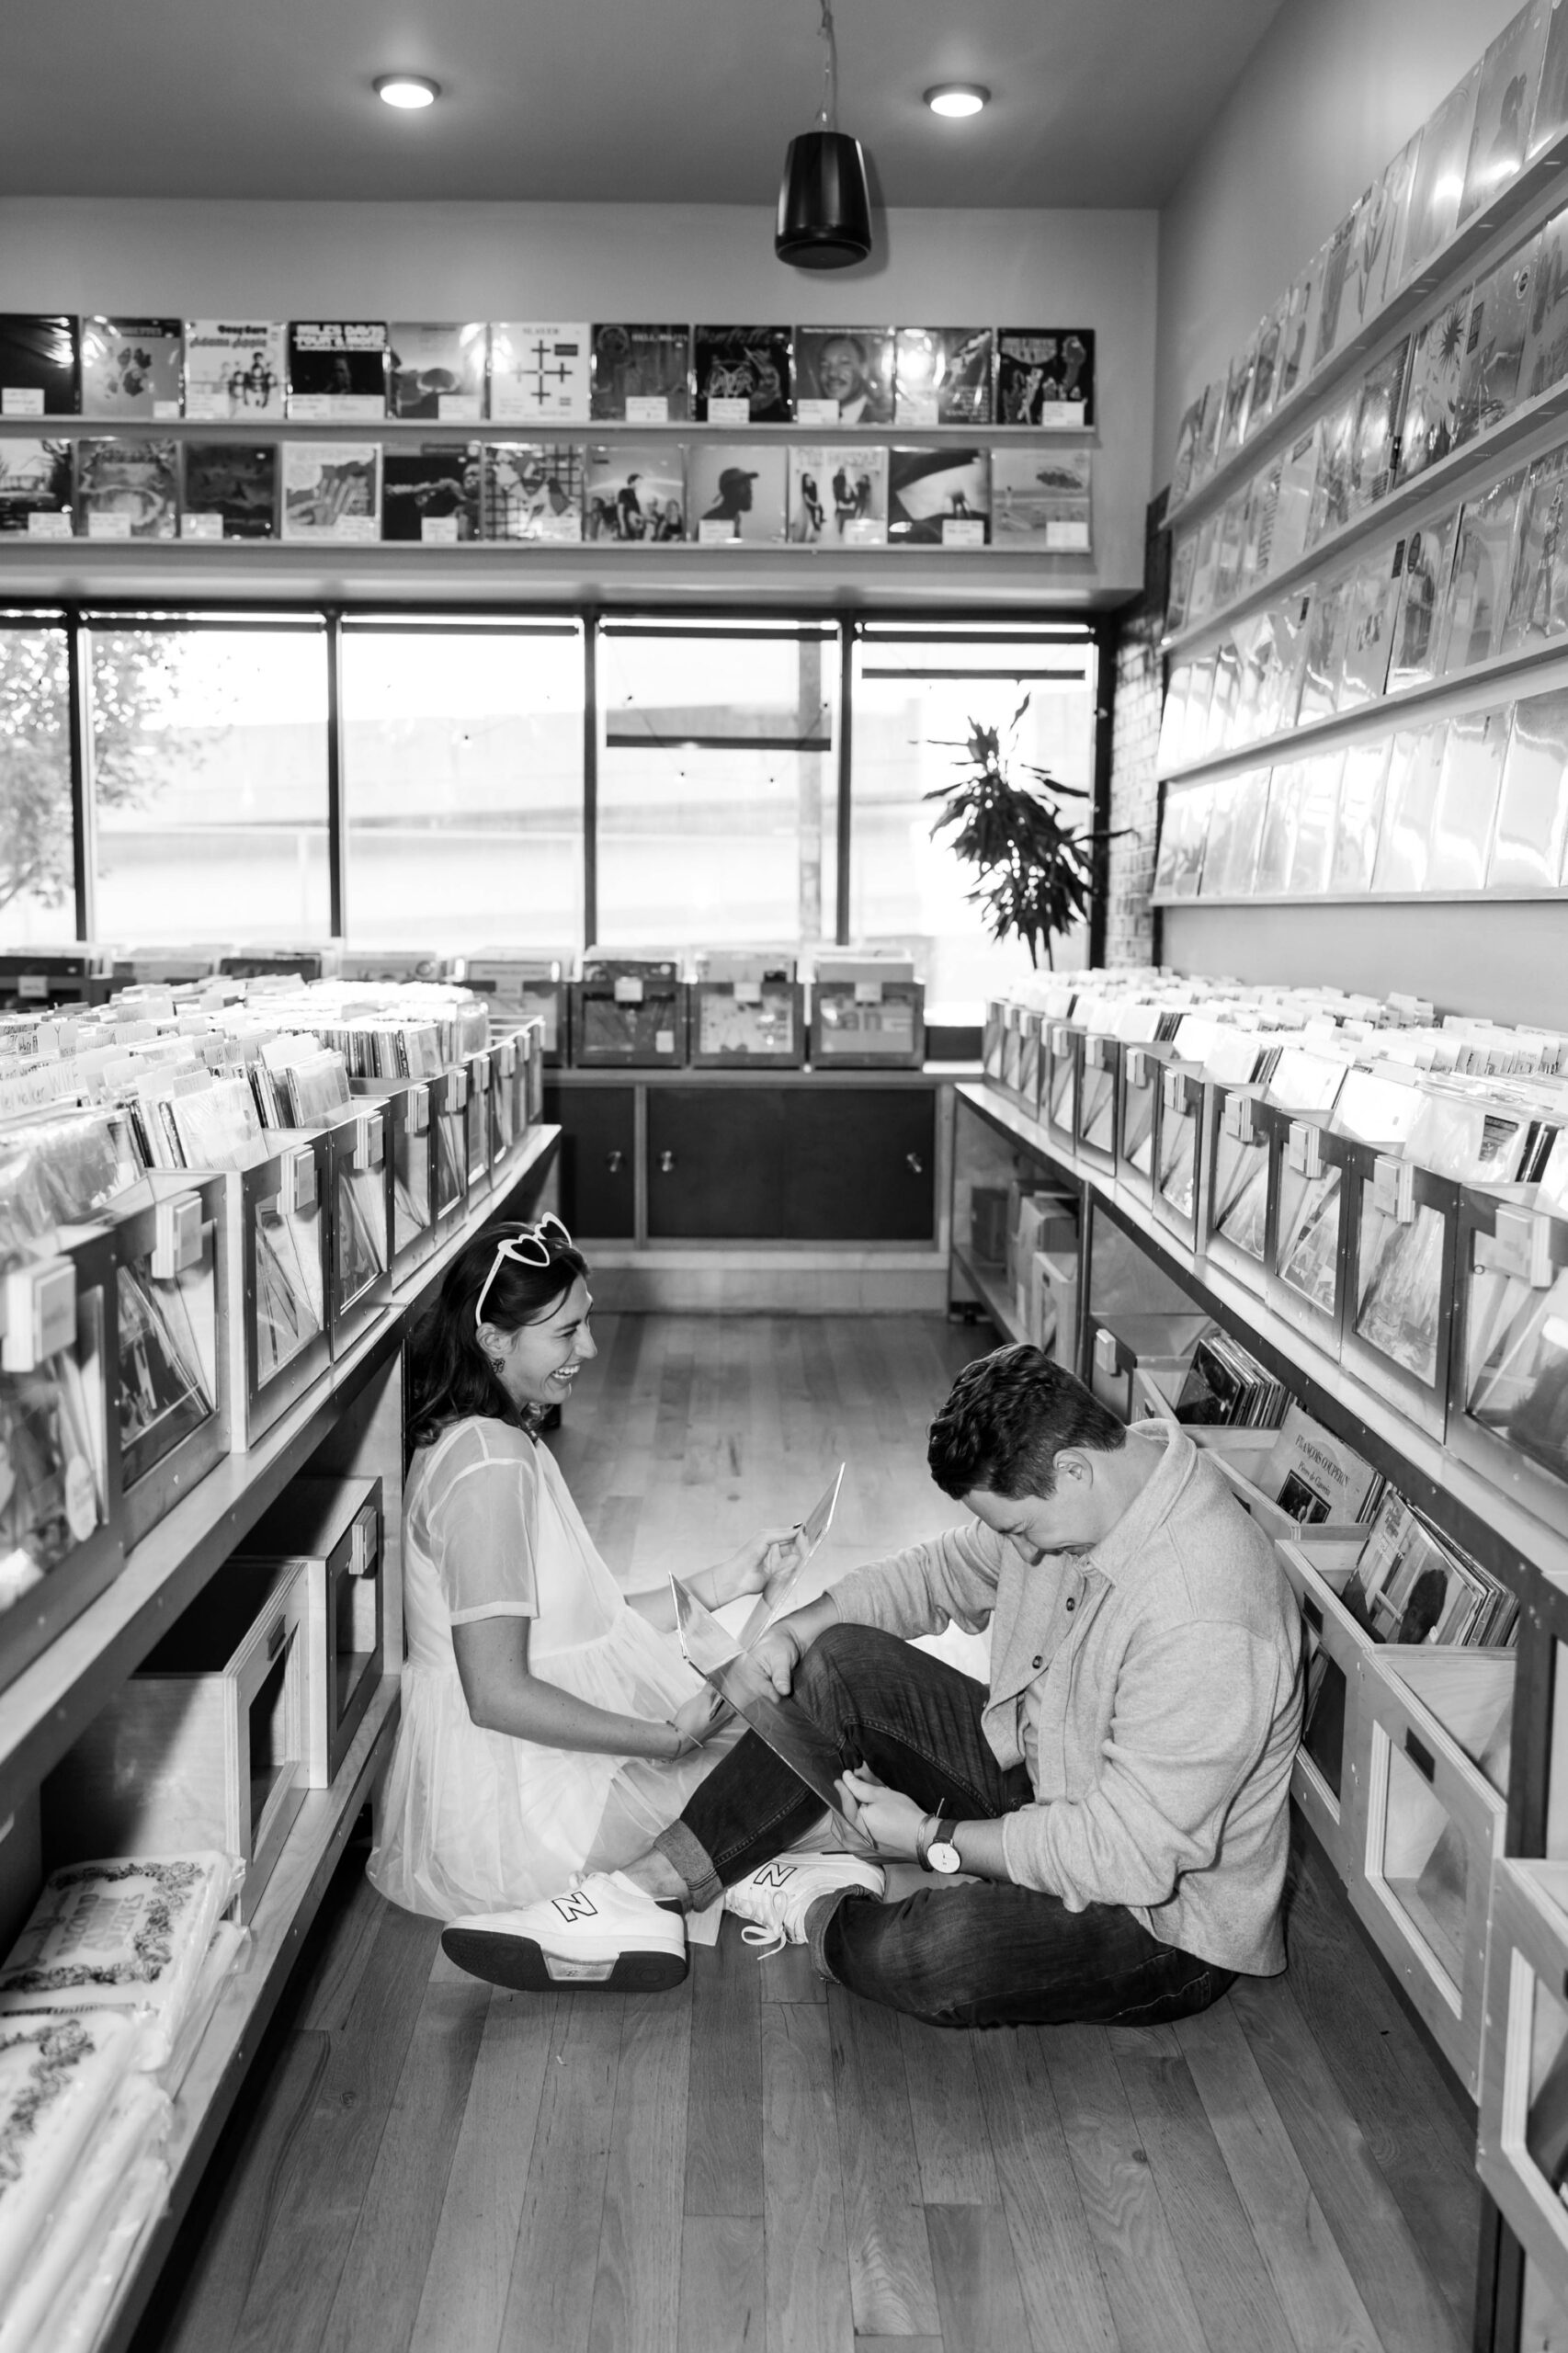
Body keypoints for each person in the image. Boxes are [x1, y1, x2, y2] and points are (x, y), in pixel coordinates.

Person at [443, 1345, 1303, 2029]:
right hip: (1050, 1784)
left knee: (925, 1957)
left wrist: (937, 1839)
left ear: (1073, 1469)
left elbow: (1129, 1856)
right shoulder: (1088, 1488)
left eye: (1023, 1531)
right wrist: (792, 1630)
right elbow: (936, 1573)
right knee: (838, 1660)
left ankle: (816, 1899)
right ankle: (643, 1891)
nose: (1024, 1555)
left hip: (1164, 1920)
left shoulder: (1205, 1612)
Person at [368, 1215, 798, 1946]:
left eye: (585, 1324)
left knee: (795, 1759)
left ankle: (767, 1876)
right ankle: (783, 1877)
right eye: (566, 1333)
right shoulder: (488, 1468)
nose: (589, 1348)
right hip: (522, 1811)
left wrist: (730, 1580)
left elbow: (581, 1625)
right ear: (494, 1341)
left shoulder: (491, 1438)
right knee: (809, 1785)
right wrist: (665, 1740)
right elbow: (495, 1693)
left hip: (539, 1775)